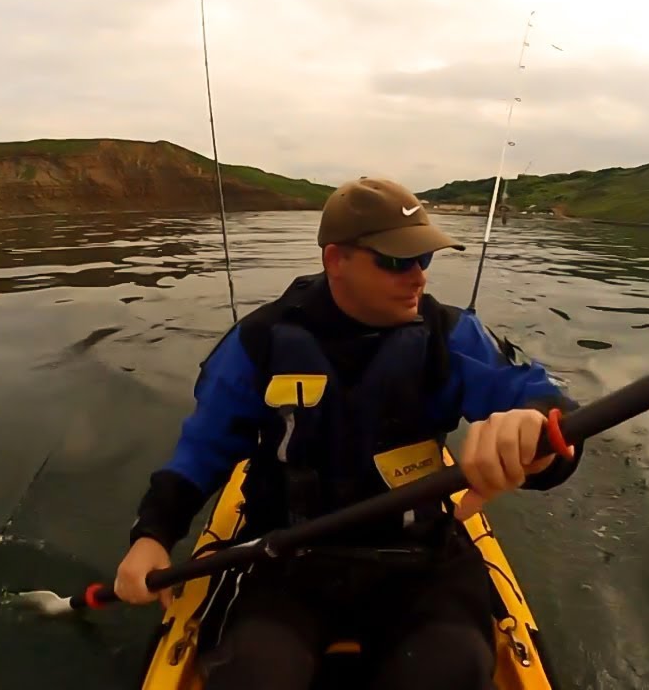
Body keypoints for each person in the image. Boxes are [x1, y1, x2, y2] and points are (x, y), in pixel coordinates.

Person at [115, 177, 586, 690]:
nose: (418, 278)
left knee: (450, 673)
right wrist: (153, 535)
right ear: (335, 260)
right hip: (282, 560)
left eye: (424, 259)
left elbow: (544, 401)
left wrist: (538, 429)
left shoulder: (452, 335)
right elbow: (204, 448)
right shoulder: (260, 341)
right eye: (395, 261)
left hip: (419, 560)